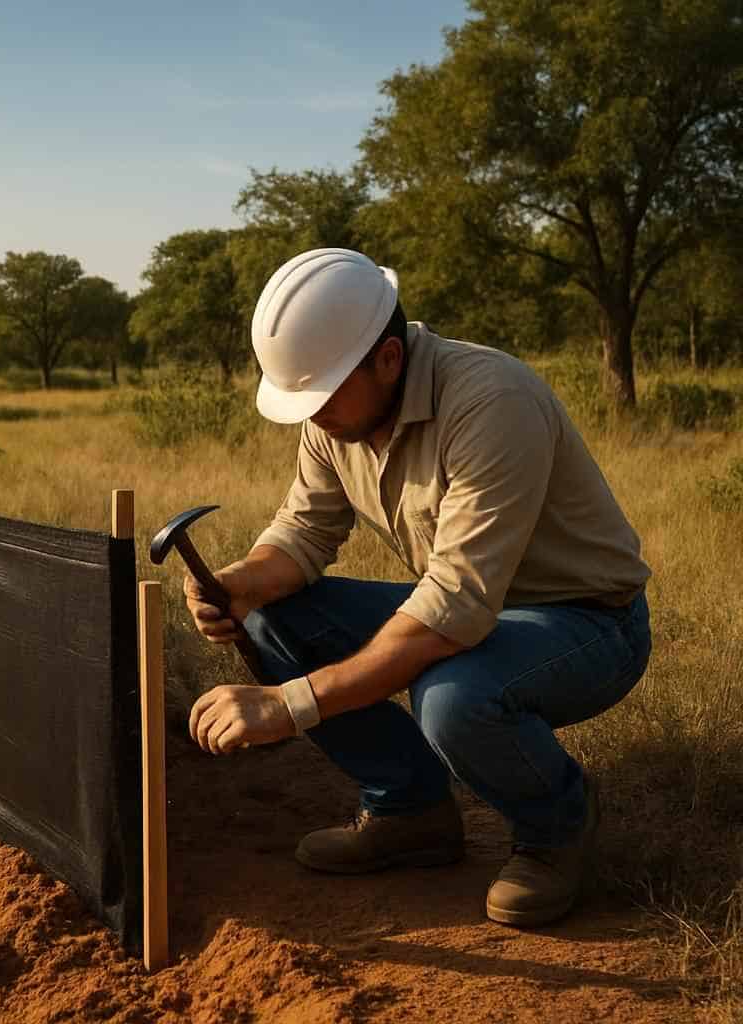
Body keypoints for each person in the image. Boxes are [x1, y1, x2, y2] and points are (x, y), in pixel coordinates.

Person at [184, 248, 651, 928]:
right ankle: (411, 812)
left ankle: (559, 825)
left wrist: (291, 704)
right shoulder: (338, 413)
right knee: (272, 618)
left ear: (390, 359)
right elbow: (306, 532)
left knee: (453, 698)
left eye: (322, 398)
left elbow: (452, 608)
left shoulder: (492, 401)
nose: (313, 418)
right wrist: (240, 583)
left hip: (585, 622)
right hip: (467, 606)